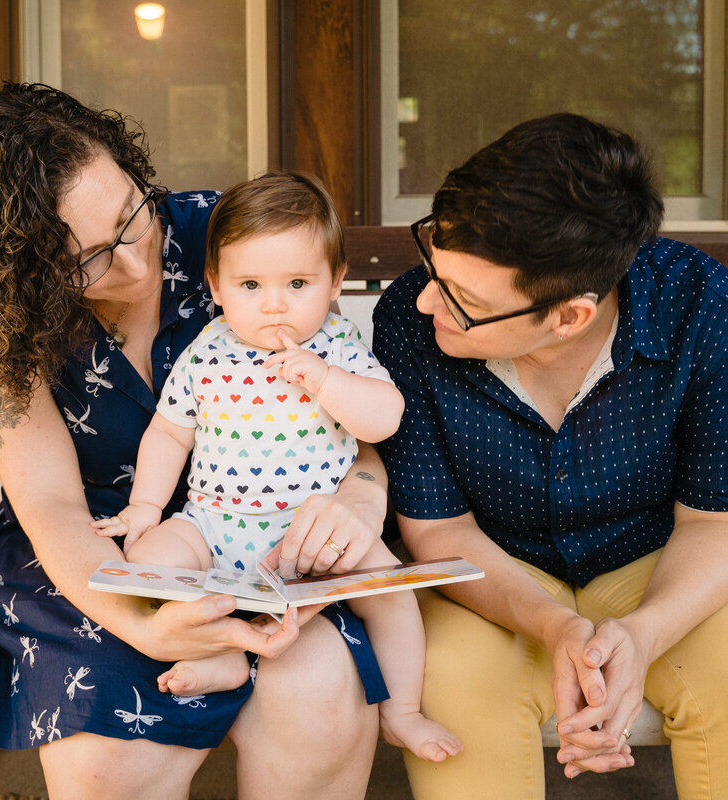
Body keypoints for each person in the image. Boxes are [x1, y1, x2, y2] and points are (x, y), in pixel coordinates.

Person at [0, 82, 394, 799]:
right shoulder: (3, 324)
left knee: (316, 697)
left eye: (131, 215)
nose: (134, 264)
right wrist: (146, 622)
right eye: (88, 260)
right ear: (20, 274)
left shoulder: (239, 245)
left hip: (271, 531)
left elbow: (344, 418)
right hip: (96, 556)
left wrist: (360, 501)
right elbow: (51, 505)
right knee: (111, 756)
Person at [371, 113, 728, 799]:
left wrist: (642, 634)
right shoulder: (409, 317)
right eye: (433, 260)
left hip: (658, 556)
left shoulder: (701, 302)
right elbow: (437, 531)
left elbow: (722, 521)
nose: (427, 296)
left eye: (462, 299)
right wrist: (553, 625)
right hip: (486, 567)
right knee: (456, 688)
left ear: (569, 315)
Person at [93, 171, 462, 763]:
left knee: (390, 594)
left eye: (297, 282)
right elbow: (169, 431)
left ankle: (403, 711)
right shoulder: (207, 349)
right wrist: (144, 507)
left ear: (335, 281)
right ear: (215, 285)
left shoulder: (337, 346)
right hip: (212, 524)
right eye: (250, 284)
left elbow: (385, 418)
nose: (274, 304)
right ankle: (219, 657)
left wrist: (330, 383)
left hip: (314, 536)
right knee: (148, 564)